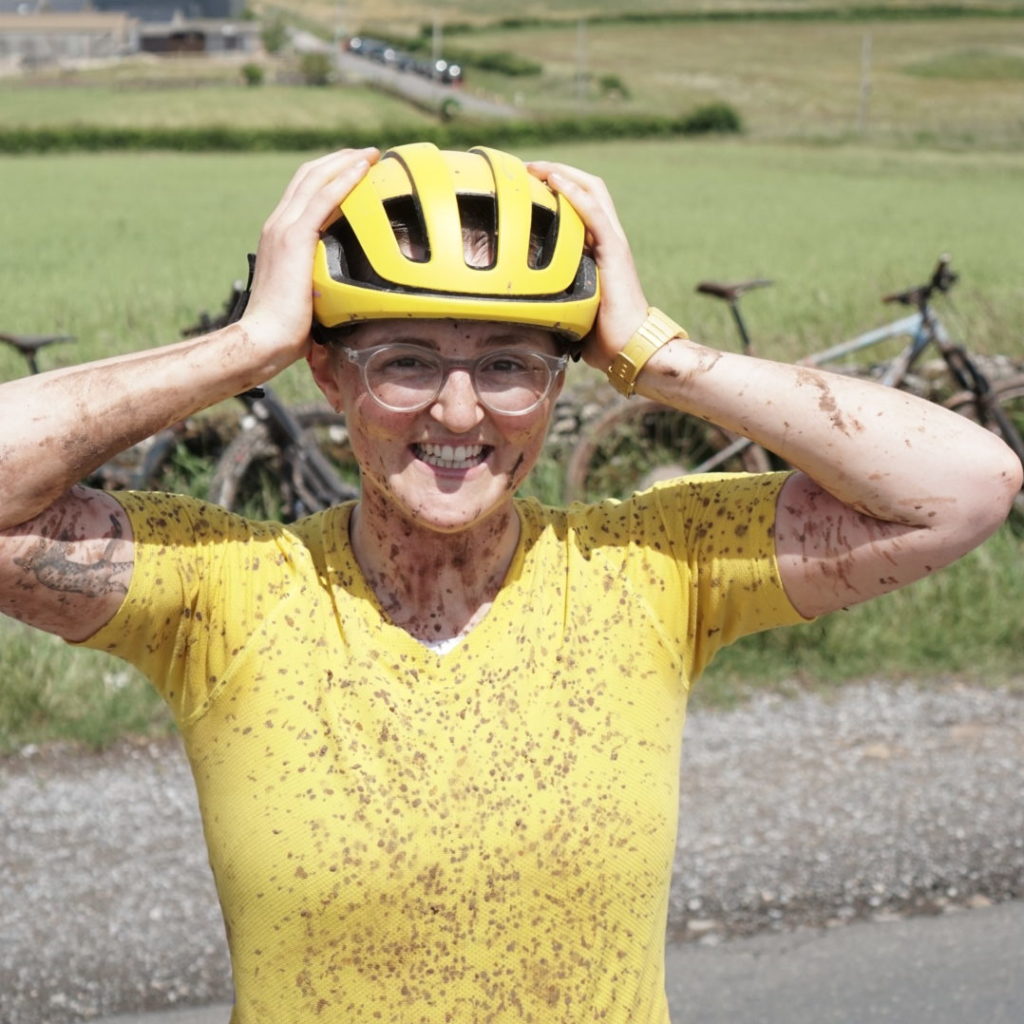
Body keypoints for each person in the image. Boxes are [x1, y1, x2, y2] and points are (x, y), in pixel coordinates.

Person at [0, 142, 1018, 1023]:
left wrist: (655, 352)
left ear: (560, 381)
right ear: (328, 375)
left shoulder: (653, 569)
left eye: (507, 366)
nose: (456, 413)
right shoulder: (224, 595)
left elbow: (968, 486)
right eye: (402, 360)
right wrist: (246, 344)